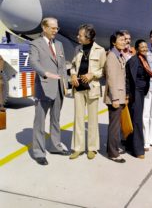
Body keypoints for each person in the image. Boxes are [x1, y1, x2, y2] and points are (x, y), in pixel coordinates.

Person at [29, 17, 69, 165]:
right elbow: (33, 62)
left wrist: (65, 84)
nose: (55, 31)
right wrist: (45, 73)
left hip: (58, 88)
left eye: (56, 28)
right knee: (40, 122)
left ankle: (55, 146)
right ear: (44, 28)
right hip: (43, 88)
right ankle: (39, 152)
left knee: (56, 120)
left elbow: (62, 66)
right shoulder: (35, 44)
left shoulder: (59, 44)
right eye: (52, 28)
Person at [69, 24, 106, 160]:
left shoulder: (100, 50)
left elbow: (103, 69)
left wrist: (92, 74)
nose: (77, 37)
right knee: (78, 119)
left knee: (92, 119)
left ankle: (92, 148)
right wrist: (73, 75)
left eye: (80, 35)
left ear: (88, 38)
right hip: (78, 87)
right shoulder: (77, 49)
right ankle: (78, 148)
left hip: (92, 87)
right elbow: (73, 65)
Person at [126, 39, 152, 159]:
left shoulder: (143, 59)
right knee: (137, 120)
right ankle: (138, 150)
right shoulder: (134, 61)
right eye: (142, 47)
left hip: (141, 92)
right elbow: (128, 79)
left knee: (136, 118)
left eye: (146, 47)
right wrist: (128, 95)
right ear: (136, 49)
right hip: (135, 93)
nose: (145, 49)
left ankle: (130, 145)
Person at [104, 31, 127, 163]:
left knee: (115, 125)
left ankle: (112, 148)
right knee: (114, 126)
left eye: (125, 40)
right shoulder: (112, 56)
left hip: (119, 95)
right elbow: (111, 79)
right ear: (114, 42)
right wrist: (115, 98)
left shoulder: (120, 55)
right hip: (115, 97)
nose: (124, 42)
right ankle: (113, 153)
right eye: (121, 40)